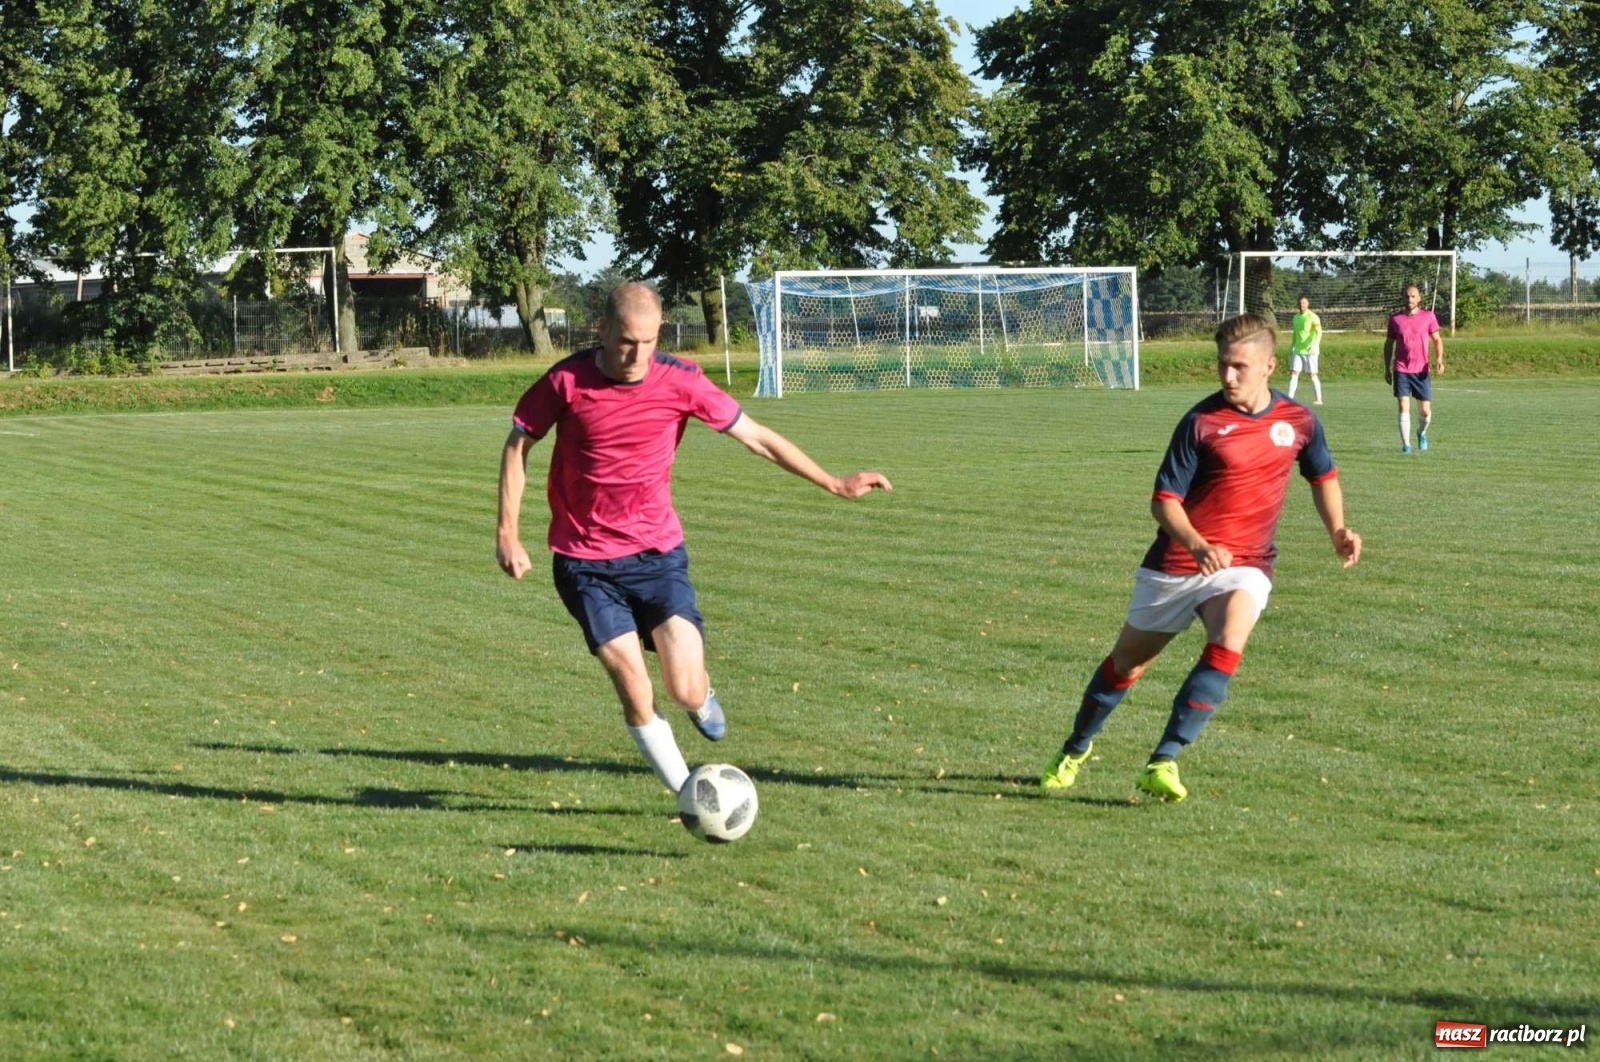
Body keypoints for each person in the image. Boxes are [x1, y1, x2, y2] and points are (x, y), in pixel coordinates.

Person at [496, 283, 893, 797]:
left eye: (648, 342)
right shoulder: (566, 381)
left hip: (657, 554)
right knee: (637, 691)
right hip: (585, 561)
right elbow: (517, 445)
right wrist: (508, 533)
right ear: (602, 331)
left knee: (684, 689)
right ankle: (692, 797)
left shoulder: (680, 380)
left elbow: (757, 438)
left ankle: (700, 696)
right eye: (625, 342)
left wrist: (835, 483)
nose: (637, 354)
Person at [1040, 313, 1362, 803]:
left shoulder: (1298, 421)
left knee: (1230, 637)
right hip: (1177, 564)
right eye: (1222, 366)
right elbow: (1163, 500)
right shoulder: (1200, 423)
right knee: (1126, 666)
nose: (1228, 377)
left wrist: (1338, 529)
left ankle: (1163, 759)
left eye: (1239, 367)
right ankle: (1075, 749)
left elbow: (1323, 476)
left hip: (1246, 563)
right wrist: (1197, 544)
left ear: (1270, 366)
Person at [1384, 284, 1445, 453]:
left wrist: (1439, 359)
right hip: (1401, 369)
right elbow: (1389, 344)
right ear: (1403, 298)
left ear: (1419, 299)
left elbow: (1437, 339)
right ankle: (1406, 445)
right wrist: (1387, 367)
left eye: (1413, 296)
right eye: (1406, 296)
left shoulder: (1428, 317)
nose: (1409, 299)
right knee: (1403, 405)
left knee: (1425, 411)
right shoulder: (1395, 319)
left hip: (1421, 371)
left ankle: (1421, 433)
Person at [1287, 294, 1323, 405]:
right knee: (1294, 373)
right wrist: (1292, 346)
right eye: (1300, 302)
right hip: (1298, 350)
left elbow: (1319, 332)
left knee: (1312, 374)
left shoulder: (1313, 316)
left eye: (1304, 303)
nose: (1301, 304)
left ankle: (1319, 399)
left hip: (1310, 350)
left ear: (1308, 304)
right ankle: (1289, 399)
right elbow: (1295, 333)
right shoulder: (1296, 317)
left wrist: (1315, 344)